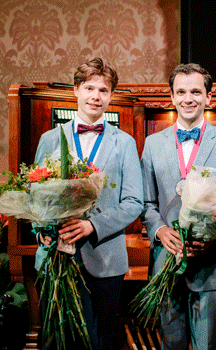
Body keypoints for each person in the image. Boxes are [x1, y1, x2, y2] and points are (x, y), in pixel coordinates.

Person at [34, 57, 144, 350]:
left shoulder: (125, 143)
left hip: (105, 259)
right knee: (56, 341)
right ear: (76, 90)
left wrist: (91, 225)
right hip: (55, 255)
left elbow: (135, 202)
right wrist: (41, 230)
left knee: (101, 340)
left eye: (104, 90)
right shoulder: (50, 138)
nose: (96, 96)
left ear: (111, 95)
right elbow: (34, 194)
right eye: (90, 88)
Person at [140, 63, 216, 350]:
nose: (189, 98)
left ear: (208, 97)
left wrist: (212, 236)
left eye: (196, 91)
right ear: (172, 98)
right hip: (165, 261)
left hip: (211, 267)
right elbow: (146, 203)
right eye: (181, 92)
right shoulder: (151, 144)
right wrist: (161, 230)